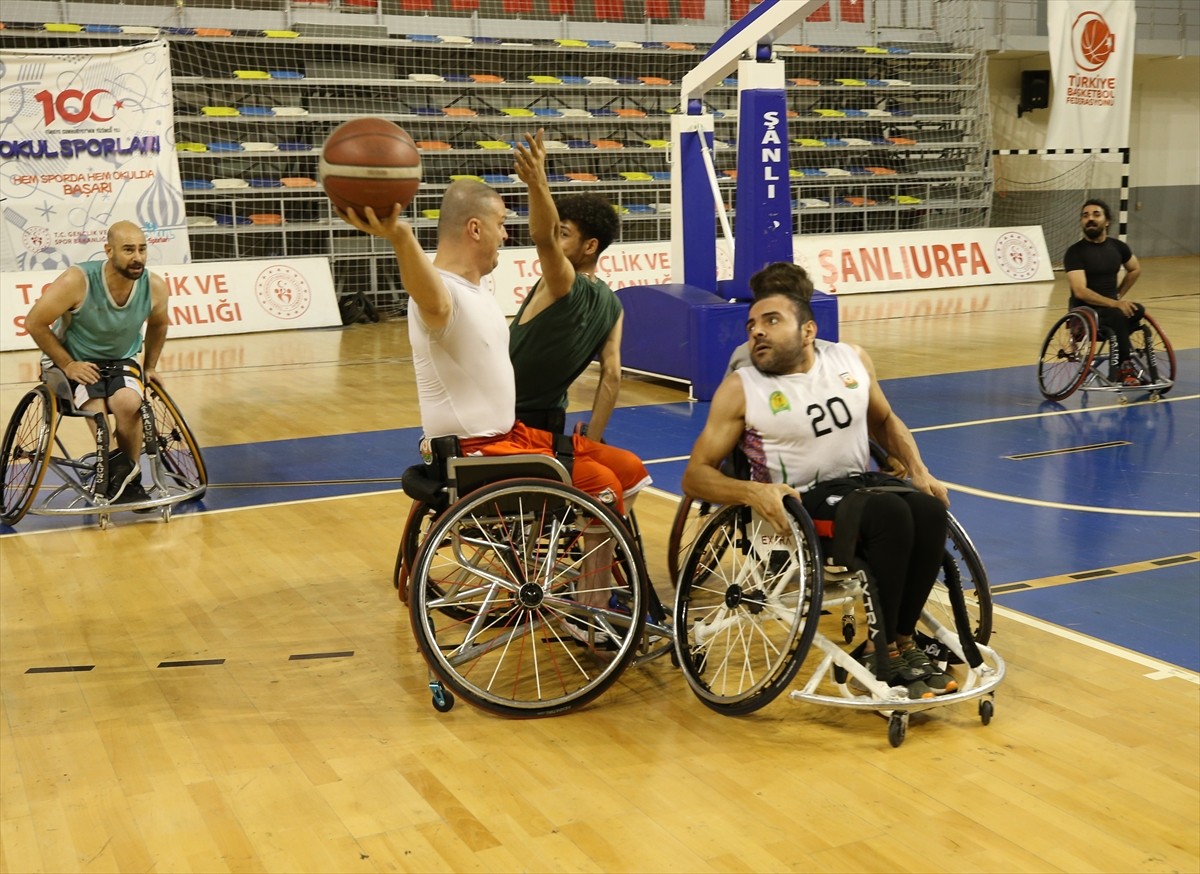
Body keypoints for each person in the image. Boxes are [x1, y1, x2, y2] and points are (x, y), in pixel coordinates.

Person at [336, 180, 651, 617]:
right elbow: (429, 297)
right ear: (475, 229)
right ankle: (588, 611)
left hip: (514, 438)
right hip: (477, 451)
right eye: (501, 224)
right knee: (601, 485)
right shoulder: (440, 295)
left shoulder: (480, 290)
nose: (507, 234)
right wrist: (401, 237)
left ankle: (581, 581)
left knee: (630, 470)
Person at [681, 262, 956, 700]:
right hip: (797, 508)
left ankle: (902, 641)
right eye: (752, 324)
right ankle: (880, 646)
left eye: (772, 321)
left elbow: (885, 420)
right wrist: (753, 490)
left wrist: (919, 470)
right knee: (889, 515)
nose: (757, 331)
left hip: (858, 488)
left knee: (927, 509)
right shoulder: (742, 386)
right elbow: (694, 476)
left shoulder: (851, 358)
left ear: (808, 331)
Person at [24, 221, 170, 503]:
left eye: (142, 249)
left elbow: (159, 325)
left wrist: (150, 366)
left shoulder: (154, 286)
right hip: (71, 362)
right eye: (128, 250)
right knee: (97, 408)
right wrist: (68, 364)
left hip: (120, 360)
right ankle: (121, 471)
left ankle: (125, 477)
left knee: (130, 404)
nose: (137, 257)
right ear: (109, 251)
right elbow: (35, 322)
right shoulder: (78, 280)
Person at [509, 129, 624, 440]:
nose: (557, 242)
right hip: (552, 420)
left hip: (507, 418)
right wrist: (593, 441)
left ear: (590, 246)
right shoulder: (614, 305)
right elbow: (612, 375)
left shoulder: (562, 282)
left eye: (565, 234)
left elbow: (542, 236)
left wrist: (538, 183)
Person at [1063, 198, 1145, 385]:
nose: (1090, 219)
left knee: (1138, 310)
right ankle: (1123, 368)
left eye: (1096, 214)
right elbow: (1080, 291)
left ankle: (1126, 360)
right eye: (1085, 216)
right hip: (1085, 313)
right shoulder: (1075, 252)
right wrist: (1116, 303)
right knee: (1117, 316)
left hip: (1110, 308)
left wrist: (1118, 295)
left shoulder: (1118, 247)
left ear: (1107, 220)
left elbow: (1135, 268)